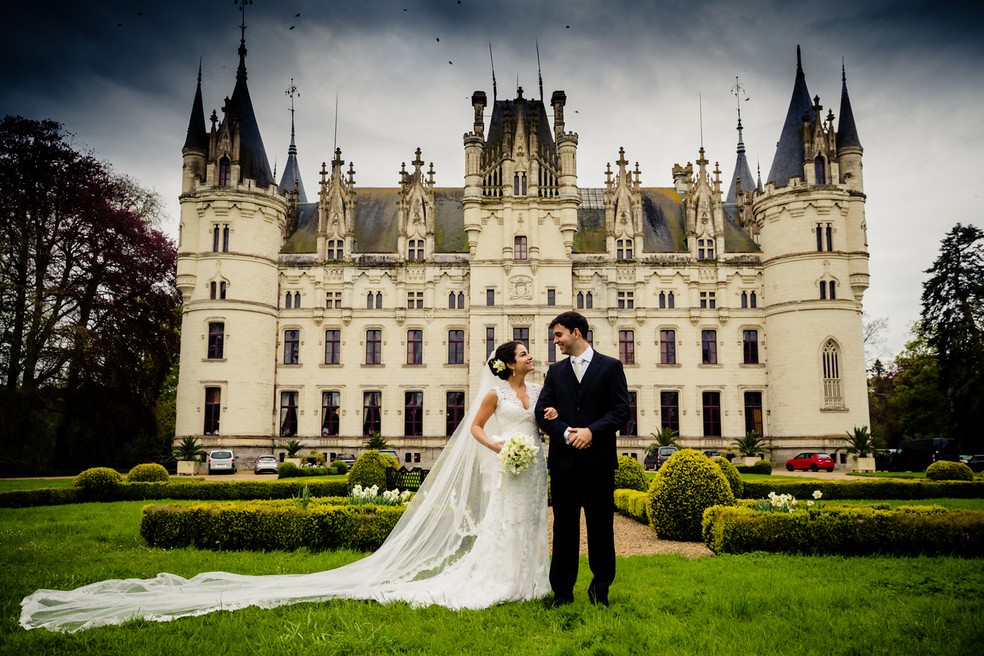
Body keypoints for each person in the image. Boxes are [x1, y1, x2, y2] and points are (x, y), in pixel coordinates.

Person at [21, 342, 553, 632]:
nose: (533, 354)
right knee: (502, 525)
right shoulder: (494, 396)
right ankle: (499, 582)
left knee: (526, 524)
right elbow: (478, 429)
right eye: (525, 350)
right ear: (508, 362)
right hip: (507, 464)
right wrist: (503, 448)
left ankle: (529, 581)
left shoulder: (535, 391)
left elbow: (542, 419)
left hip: (530, 471)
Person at [535, 311, 630, 608]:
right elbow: (541, 412)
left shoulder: (611, 367)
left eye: (559, 335)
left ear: (577, 333)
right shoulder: (556, 372)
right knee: (564, 529)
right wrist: (564, 433)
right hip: (564, 465)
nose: (556, 341)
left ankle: (600, 591)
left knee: (601, 528)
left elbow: (620, 411)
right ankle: (562, 593)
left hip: (598, 463)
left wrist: (591, 432)